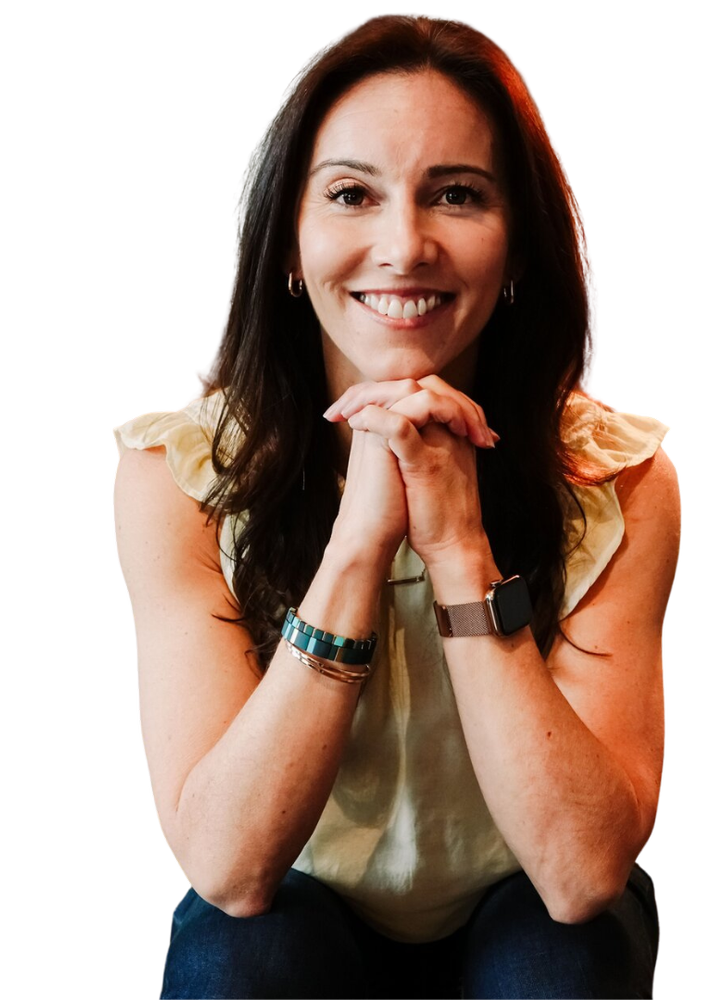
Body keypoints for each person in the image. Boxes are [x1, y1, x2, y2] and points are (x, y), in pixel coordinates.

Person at [113, 12, 681, 999]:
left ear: (514, 247)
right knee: (240, 953)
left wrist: (459, 547)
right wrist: (358, 544)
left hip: (525, 896)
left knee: (565, 958)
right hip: (294, 902)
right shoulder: (175, 473)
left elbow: (584, 872)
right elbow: (226, 868)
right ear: (289, 242)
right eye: (351, 195)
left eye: (455, 195)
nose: (404, 245)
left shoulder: (619, 477)